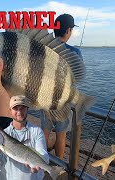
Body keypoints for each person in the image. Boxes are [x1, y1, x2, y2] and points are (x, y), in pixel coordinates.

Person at [40, 13, 84, 159]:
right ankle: (59, 164)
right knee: (61, 135)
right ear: (67, 31)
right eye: (71, 29)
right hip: (63, 102)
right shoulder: (75, 52)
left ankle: (41, 162)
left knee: (44, 132)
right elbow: (77, 78)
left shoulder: (44, 48)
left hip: (45, 98)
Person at [0, 95, 49, 180]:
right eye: (15, 108)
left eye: (22, 108)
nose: (19, 112)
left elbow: (43, 153)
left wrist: (40, 166)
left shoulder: (37, 131)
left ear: (27, 109)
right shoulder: (6, 133)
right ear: (10, 110)